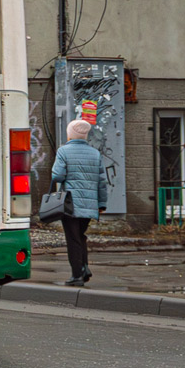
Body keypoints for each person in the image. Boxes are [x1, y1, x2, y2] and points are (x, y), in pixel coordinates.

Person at [51, 118, 109, 287]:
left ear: (70, 135)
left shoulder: (63, 151)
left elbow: (57, 176)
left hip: (69, 204)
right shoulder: (95, 153)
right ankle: (84, 268)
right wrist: (102, 204)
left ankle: (77, 275)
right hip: (90, 205)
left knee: (73, 238)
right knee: (80, 236)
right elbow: (102, 181)